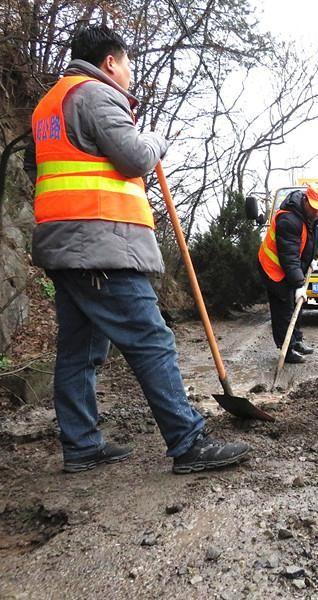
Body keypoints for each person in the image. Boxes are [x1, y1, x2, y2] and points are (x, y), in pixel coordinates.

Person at [31, 25, 250, 474]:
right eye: (127, 62)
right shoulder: (94, 94)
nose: (130, 72)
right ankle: (188, 443)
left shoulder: (48, 104)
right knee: (152, 340)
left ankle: (81, 446)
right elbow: (135, 157)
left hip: (64, 246)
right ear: (111, 61)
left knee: (79, 351)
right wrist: (156, 140)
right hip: (101, 247)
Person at [258, 184, 318, 363]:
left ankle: (296, 341)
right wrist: (298, 284)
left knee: (297, 304)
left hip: (295, 265)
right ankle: (286, 349)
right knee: (284, 307)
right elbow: (288, 257)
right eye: (314, 209)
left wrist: (314, 257)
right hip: (274, 268)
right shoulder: (288, 219)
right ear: (306, 200)